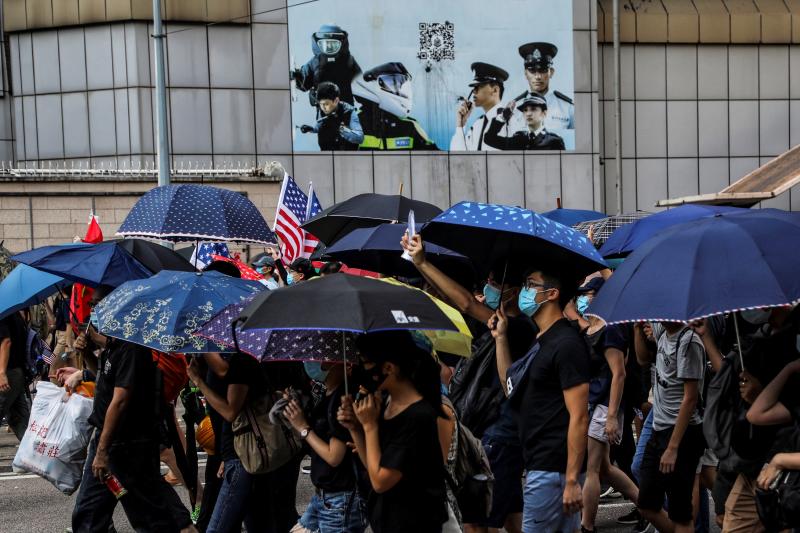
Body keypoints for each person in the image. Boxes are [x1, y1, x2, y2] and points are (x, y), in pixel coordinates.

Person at [402, 232, 536, 533]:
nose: (487, 289)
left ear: (511, 291)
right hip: (504, 432)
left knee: (477, 520)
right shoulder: (507, 324)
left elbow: (463, 302)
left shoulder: (515, 329)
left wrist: (422, 262)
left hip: (497, 433)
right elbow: (460, 301)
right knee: (512, 513)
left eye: (494, 283)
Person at [70, 286, 194, 533]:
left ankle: (184, 523)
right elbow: (105, 380)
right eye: (92, 305)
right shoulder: (114, 343)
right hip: (111, 441)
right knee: (89, 514)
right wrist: (88, 353)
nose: (93, 311)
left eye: (97, 304)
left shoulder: (131, 346)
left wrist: (103, 451)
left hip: (125, 444)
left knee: (147, 515)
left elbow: (121, 399)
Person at [489, 268, 590, 533]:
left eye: (531, 285)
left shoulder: (566, 344)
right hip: (540, 464)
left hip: (552, 469)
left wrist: (570, 480)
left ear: (552, 294)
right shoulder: (541, 340)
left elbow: (579, 416)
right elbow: (510, 385)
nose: (524, 291)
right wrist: (500, 339)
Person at [337, 330, 449, 533]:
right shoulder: (387, 403)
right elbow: (375, 467)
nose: (362, 369)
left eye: (366, 362)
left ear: (388, 367)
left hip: (413, 523)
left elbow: (380, 481)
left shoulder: (418, 416)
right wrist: (355, 427)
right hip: (388, 520)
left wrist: (370, 427)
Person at [566, 277, 639, 533]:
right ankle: (649, 507)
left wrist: (611, 417)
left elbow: (619, 374)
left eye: (588, 293)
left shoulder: (611, 329)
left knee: (593, 468)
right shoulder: (591, 328)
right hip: (593, 402)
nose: (583, 298)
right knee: (606, 469)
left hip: (604, 406)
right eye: (581, 294)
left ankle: (587, 526)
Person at [633, 321, 707, 533]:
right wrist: (637, 328)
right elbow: (641, 359)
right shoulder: (662, 329)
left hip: (683, 434)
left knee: (681, 513)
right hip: (659, 429)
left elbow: (690, 398)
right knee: (646, 504)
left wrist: (673, 448)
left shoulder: (689, 342)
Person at [187, 352, 273, 533]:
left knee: (216, 528)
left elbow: (230, 411)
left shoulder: (242, 362)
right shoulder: (237, 360)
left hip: (242, 457)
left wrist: (199, 382)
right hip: (235, 455)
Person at [284, 361, 366, 533]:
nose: (312, 362)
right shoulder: (328, 394)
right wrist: (295, 414)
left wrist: (303, 428)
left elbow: (334, 456)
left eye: (320, 357)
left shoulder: (343, 399)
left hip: (340, 500)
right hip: (324, 497)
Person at [353, 62, 438, 150]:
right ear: (373, 86)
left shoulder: (409, 126)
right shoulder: (356, 123)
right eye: (392, 83)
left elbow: (433, 156)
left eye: (400, 85)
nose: (399, 89)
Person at [510, 42, 574, 140]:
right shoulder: (515, 108)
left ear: (551, 72)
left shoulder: (567, 108)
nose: (538, 77)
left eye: (543, 70)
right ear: (525, 74)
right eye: (532, 71)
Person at [292, 24, 361, 107]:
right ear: (318, 44)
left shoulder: (348, 61)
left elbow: (361, 85)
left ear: (341, 44)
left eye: (333, 44)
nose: (329, 47)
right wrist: (295, 76)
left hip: (345, 108)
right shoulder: (315, 62)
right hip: (324, 110)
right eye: (326, 44)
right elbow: (304, 82)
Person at [450, 62, 509, 151]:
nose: (474, 91)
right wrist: (461, 125)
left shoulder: (510, 121)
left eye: (478, 86)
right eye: (473, 88)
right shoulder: (477, 125)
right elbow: (458, 157)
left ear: (495, 90)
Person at [483, 94, 565, 150]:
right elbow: (489, 139)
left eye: (533, 109)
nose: (528, 114)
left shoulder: (554, 141)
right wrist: (503, 117)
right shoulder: (518, 139)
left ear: (544, 113)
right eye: (525, 110)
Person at [300, 81, 364, 151]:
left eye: (326, 104)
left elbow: (360, 138)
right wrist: (311, 129)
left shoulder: (349, 112)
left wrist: (340, 128)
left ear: (336, 101)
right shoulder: (323, 110)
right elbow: (319, 125)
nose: (323, 107)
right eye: (321, 104)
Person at [0, 309, 31, 441]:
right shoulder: (13, 311)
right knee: (19, 418)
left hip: (8, 373)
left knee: (18, 417)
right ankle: (31, 453)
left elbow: (6, 342)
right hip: (16, 372)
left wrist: (1, 372)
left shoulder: (2, 312)